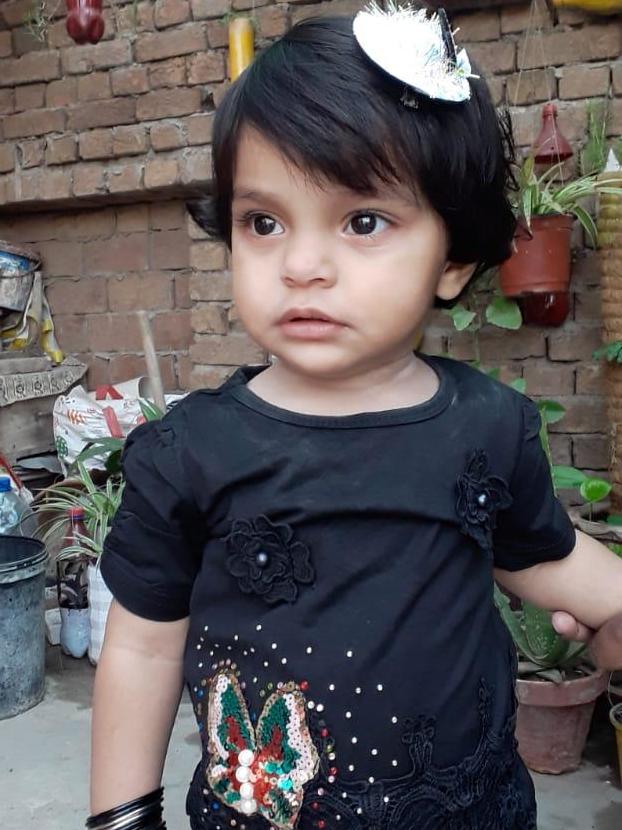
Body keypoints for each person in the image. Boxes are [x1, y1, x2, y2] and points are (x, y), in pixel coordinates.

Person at [89, 8, 622, 830]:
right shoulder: (189, 453)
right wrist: (122, 817)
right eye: (263, 223)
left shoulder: (486, 428)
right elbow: (142, 643)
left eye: (363, 221)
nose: (302, 265)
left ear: (453, 259)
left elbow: (541, 555)